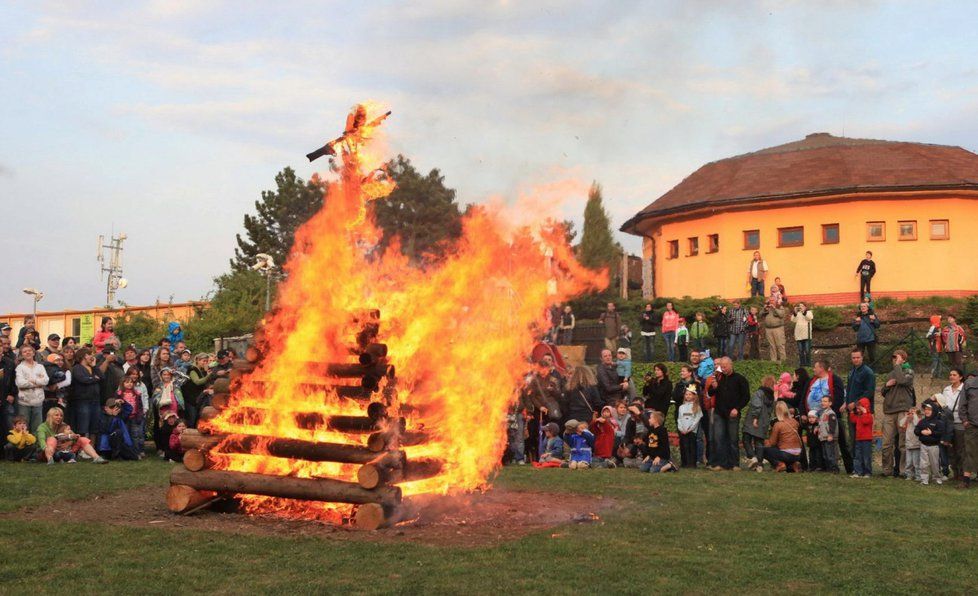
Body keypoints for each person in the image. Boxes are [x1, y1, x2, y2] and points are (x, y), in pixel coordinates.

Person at [709, 357, 750, 471]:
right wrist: (713, 387)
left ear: (731, 365)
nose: (723, 368)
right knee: (718, 438)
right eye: (721, 367)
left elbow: (746, 397)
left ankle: (734, 464)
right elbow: (710, 393)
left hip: (733, 413)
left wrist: (737, 408)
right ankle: (720, 463)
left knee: (733, 439)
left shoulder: (740, 379)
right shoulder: (719, 378)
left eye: (725, 366)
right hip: (719, 413)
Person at [881, 350, 915, 478]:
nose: (894, 359)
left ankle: (903, 471)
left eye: (897, 357)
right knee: (886, 444)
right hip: (889, 411)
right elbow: (883, 392)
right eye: (893, 358)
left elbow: (901, 381)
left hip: (902, 410)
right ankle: (887, 470)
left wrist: (898, 366)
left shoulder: (909, 371)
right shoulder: (891, 374)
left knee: (903, 443)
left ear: (904, 359)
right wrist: (886, 385)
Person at [34, 407, 107, 464]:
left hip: (63, 451)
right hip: (46, 452)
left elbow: (73, 436)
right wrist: (48, 449)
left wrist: (70, 442)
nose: (59, 417)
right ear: (50, 416)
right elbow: (42, 442)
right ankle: (50, 460)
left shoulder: (63, 425)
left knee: (82, 439)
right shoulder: (42, 427)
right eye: (56, 415)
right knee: (52, 439)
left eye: (61, 415)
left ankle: (96, 458)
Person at [845, 349, 876, 466]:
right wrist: (846, 402)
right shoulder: (851, 372)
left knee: (863, 440)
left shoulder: (868, 372)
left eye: (858, 357)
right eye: (853, 358)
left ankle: (865, 466)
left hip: (863, 412)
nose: (855, 360)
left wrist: (856, 403)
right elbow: (849, 390)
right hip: (851, 411)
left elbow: (869, 392)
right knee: (853, 439)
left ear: (862, 358)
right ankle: (856, 466)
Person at [761, 401, 803, 472]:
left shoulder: (778, 424)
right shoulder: (795, 422)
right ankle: (794, 464)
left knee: (764, 450)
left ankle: (779, 464)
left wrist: (765, 441)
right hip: (798, 454)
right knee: (784, 452)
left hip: (786, 454)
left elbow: (772, 442)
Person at [743, 375, 775, 471]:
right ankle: (760, 465)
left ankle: (753, 458)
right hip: (764, 422)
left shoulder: (759, 393)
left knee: (746, 438)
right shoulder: (771, 397)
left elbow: (757, 405)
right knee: (759, 442)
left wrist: (755, 418)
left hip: (753, 420)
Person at [14, 345, 48, 432]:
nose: (28, 352)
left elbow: (46, 381)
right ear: (22, 355)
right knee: (23, 427)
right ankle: (25, 445)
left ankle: (36, 445)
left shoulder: (40, 366)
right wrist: (37, 383)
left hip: (38, 401)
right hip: (24, 402)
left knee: (37, 427)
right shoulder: (20, 367)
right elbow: (20, 383)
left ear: (33, 352)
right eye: (25, 352)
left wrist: (32, 380)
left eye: (29, 350)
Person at [69, 348, 102, 438]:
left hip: (95, 400)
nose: (92, 356)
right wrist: (94, 378)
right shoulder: (77, 368)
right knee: (83, 427)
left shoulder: (93, 368)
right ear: (83, 356)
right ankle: (82, 449)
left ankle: (92, 449)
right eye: (90, 354)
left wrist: (94, 366)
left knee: (94, 428)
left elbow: (102, 377)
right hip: (83, 401)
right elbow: (83, 379)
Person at [153, 368, 184, 458]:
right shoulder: (159, 386)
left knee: (175, 431)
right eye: (164, 374)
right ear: (161, 376)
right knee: (164, 432)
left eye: (168, 374)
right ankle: (165, 450)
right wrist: (162, 402)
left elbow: (185, 378)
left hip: (175, 412)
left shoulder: (176, 384)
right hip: (164, 413)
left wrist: (175, 372)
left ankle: (176, 450)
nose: (166, 376)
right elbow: (154, 399)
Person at [943, 368, 966, 484]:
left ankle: (962, 475)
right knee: (950, 450)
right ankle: (955, 473)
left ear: (960, 377)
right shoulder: (946, 390)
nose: (951, 376)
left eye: (954, 375)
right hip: (948, 423)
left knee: (961, 450)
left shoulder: (965, 389)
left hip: (960, 423)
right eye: (950, 374)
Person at [915, 402, 945, 485]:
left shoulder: (938, 422)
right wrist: (921, 431)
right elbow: (916, 430)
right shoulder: (922, 422)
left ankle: (937, 477)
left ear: (934, 411)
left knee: (935, 463)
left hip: (934, 446)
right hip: (923, 445)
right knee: (923, 464)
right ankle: (924, 479)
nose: (927, 411)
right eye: (926, 409)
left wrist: (931, 433)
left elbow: (940, 433)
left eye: (929, 410)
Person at [116, 375, 146, 457]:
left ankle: (138, 451)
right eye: (127, 382)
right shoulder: (119, 394)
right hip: (124, 417)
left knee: (136, 435)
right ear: (122, 383)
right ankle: (127, 452)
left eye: (131, 382)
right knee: (126, 434)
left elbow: (140, 406)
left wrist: (140, 415)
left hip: (135, 417)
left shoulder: (136, 393)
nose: (129, 384)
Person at [958, 372, 978, 489]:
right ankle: (966, 481)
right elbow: (962, 405)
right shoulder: (969, 383)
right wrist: (965, 420)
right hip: (972, 425)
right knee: (969, 452)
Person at [677, 385, 702, 468]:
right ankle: (684, 463)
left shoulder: (697, 407)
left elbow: (696, 420)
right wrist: (681, 428)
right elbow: (679, 419)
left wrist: (690, 429)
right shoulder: (681, 407)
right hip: (683, 430)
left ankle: (692, 463)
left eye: (690, 394)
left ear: (694, 396)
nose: (688, 396)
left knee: (692, 447)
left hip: (691, 431)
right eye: (686, 394)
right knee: (684, 446)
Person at [850, 398, 874, 478]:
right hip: (858, 439)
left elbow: (865, 421)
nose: (858, 409)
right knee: (857, 456)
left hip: (866, 439)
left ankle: (867, 472)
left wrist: (864, 412)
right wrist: (852, 411)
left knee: (866, 456)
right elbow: (853, 420)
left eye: (860, 407)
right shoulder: (858, 416)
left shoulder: (869, 415)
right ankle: (858, 471)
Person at [817, 395, 839, 472]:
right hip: (823, 437)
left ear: (830, 403)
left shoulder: (831, 413)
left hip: (829, 437)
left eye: (825, 401)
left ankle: (835, 468)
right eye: (822, 401)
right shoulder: (823, 413)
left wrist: (831, 434)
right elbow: (822, 424)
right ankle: (829, 468)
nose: (823, 403)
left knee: (830, 454)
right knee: (825, 455)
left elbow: (832, 425)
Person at [900, 407, 922, 481]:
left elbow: (916, 423)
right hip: (908, 445)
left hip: (916, 445)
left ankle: (918, 476)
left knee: (916, 462)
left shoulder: (918, 421)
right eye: (910, 413)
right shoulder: (908, 422)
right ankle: (909, 475)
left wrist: (914, 414)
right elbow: (900, 423)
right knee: (909, 462)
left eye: (912, 413)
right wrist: (906, 416)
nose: (911, 415)